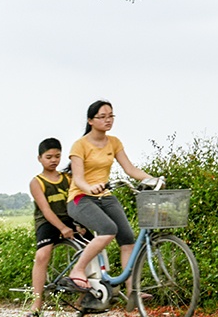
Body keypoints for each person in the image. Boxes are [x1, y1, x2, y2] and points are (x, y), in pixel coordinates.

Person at [64, 99, 159, 296]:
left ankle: (131, 290)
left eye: (111, 116)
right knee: (108, 230)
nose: (108, 120)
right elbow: (79, 179)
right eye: (102, 117)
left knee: (128, 239)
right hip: (80, 198)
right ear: (90, 120)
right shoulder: (79, 145)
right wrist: (91, 187)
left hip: (105, 196)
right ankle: (78, 270)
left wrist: (153, 179)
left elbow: (130, 169)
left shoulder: (114, 142)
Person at [22, 137, 77, 317]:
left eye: (57, 156)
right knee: (42, 255)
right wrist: (61, 228)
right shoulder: (37, 182)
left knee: (91, 247)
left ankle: (86, 291)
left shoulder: (67, 179)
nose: (53, 160)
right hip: (47, 221)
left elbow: (74, 201)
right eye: (49, 157)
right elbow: (46, 210)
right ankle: (36, 304)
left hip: (68, 218)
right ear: (40, 158)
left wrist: (76, 224)